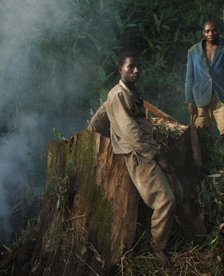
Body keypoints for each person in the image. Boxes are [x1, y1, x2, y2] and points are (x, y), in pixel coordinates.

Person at [88, 51, 175, 266]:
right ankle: (158, 248)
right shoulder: (119, 94)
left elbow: (101, 114)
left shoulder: (126, 92)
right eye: (130, 67)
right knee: (165, 200)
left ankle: (156, 238)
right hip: (139, 156)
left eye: (138, 66)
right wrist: (156, 157)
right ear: (121, 70)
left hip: (142, 151)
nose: (136, 71)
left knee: (171, 192)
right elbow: (129, 131)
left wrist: (90, 131)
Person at [185, 19, 224, 166]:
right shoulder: (193, 51)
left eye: (214, 30)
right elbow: (189, 78)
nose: (211, 33)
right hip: (201, 99)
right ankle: (204, 170)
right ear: (203, 33)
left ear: (219, 30)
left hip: (222, 96)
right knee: (201, 135)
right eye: (207, 31)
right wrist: (189, 100)